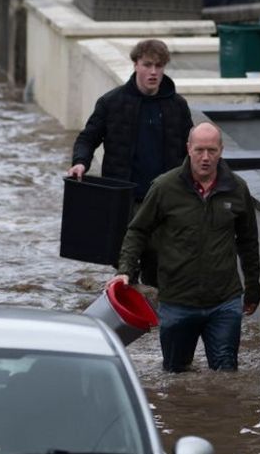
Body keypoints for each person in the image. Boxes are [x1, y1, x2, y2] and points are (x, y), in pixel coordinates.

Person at [108, 122, 260, 372]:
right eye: (200, 150)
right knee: (175, 374)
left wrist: (254, 290)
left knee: (226, 374)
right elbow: (138, 231)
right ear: (188, 149)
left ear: (221, 151)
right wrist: (125, 270)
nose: (205, 158)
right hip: (177, 301)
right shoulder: (164, 187)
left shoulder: (236, 188)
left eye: (212, 151)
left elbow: (248, 242)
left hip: (224, 301)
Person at [69, 39, 193, 283]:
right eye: (148, 65)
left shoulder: (177, 106)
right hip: (123, 201)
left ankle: (155, 317)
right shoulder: (111, 103)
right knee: (125, 268)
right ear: (136, 65)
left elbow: (190, 149)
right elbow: (87, 137)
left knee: (159, 270)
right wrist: (80, 162)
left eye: (159, 66)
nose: (154, 72)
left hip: (163, 201)